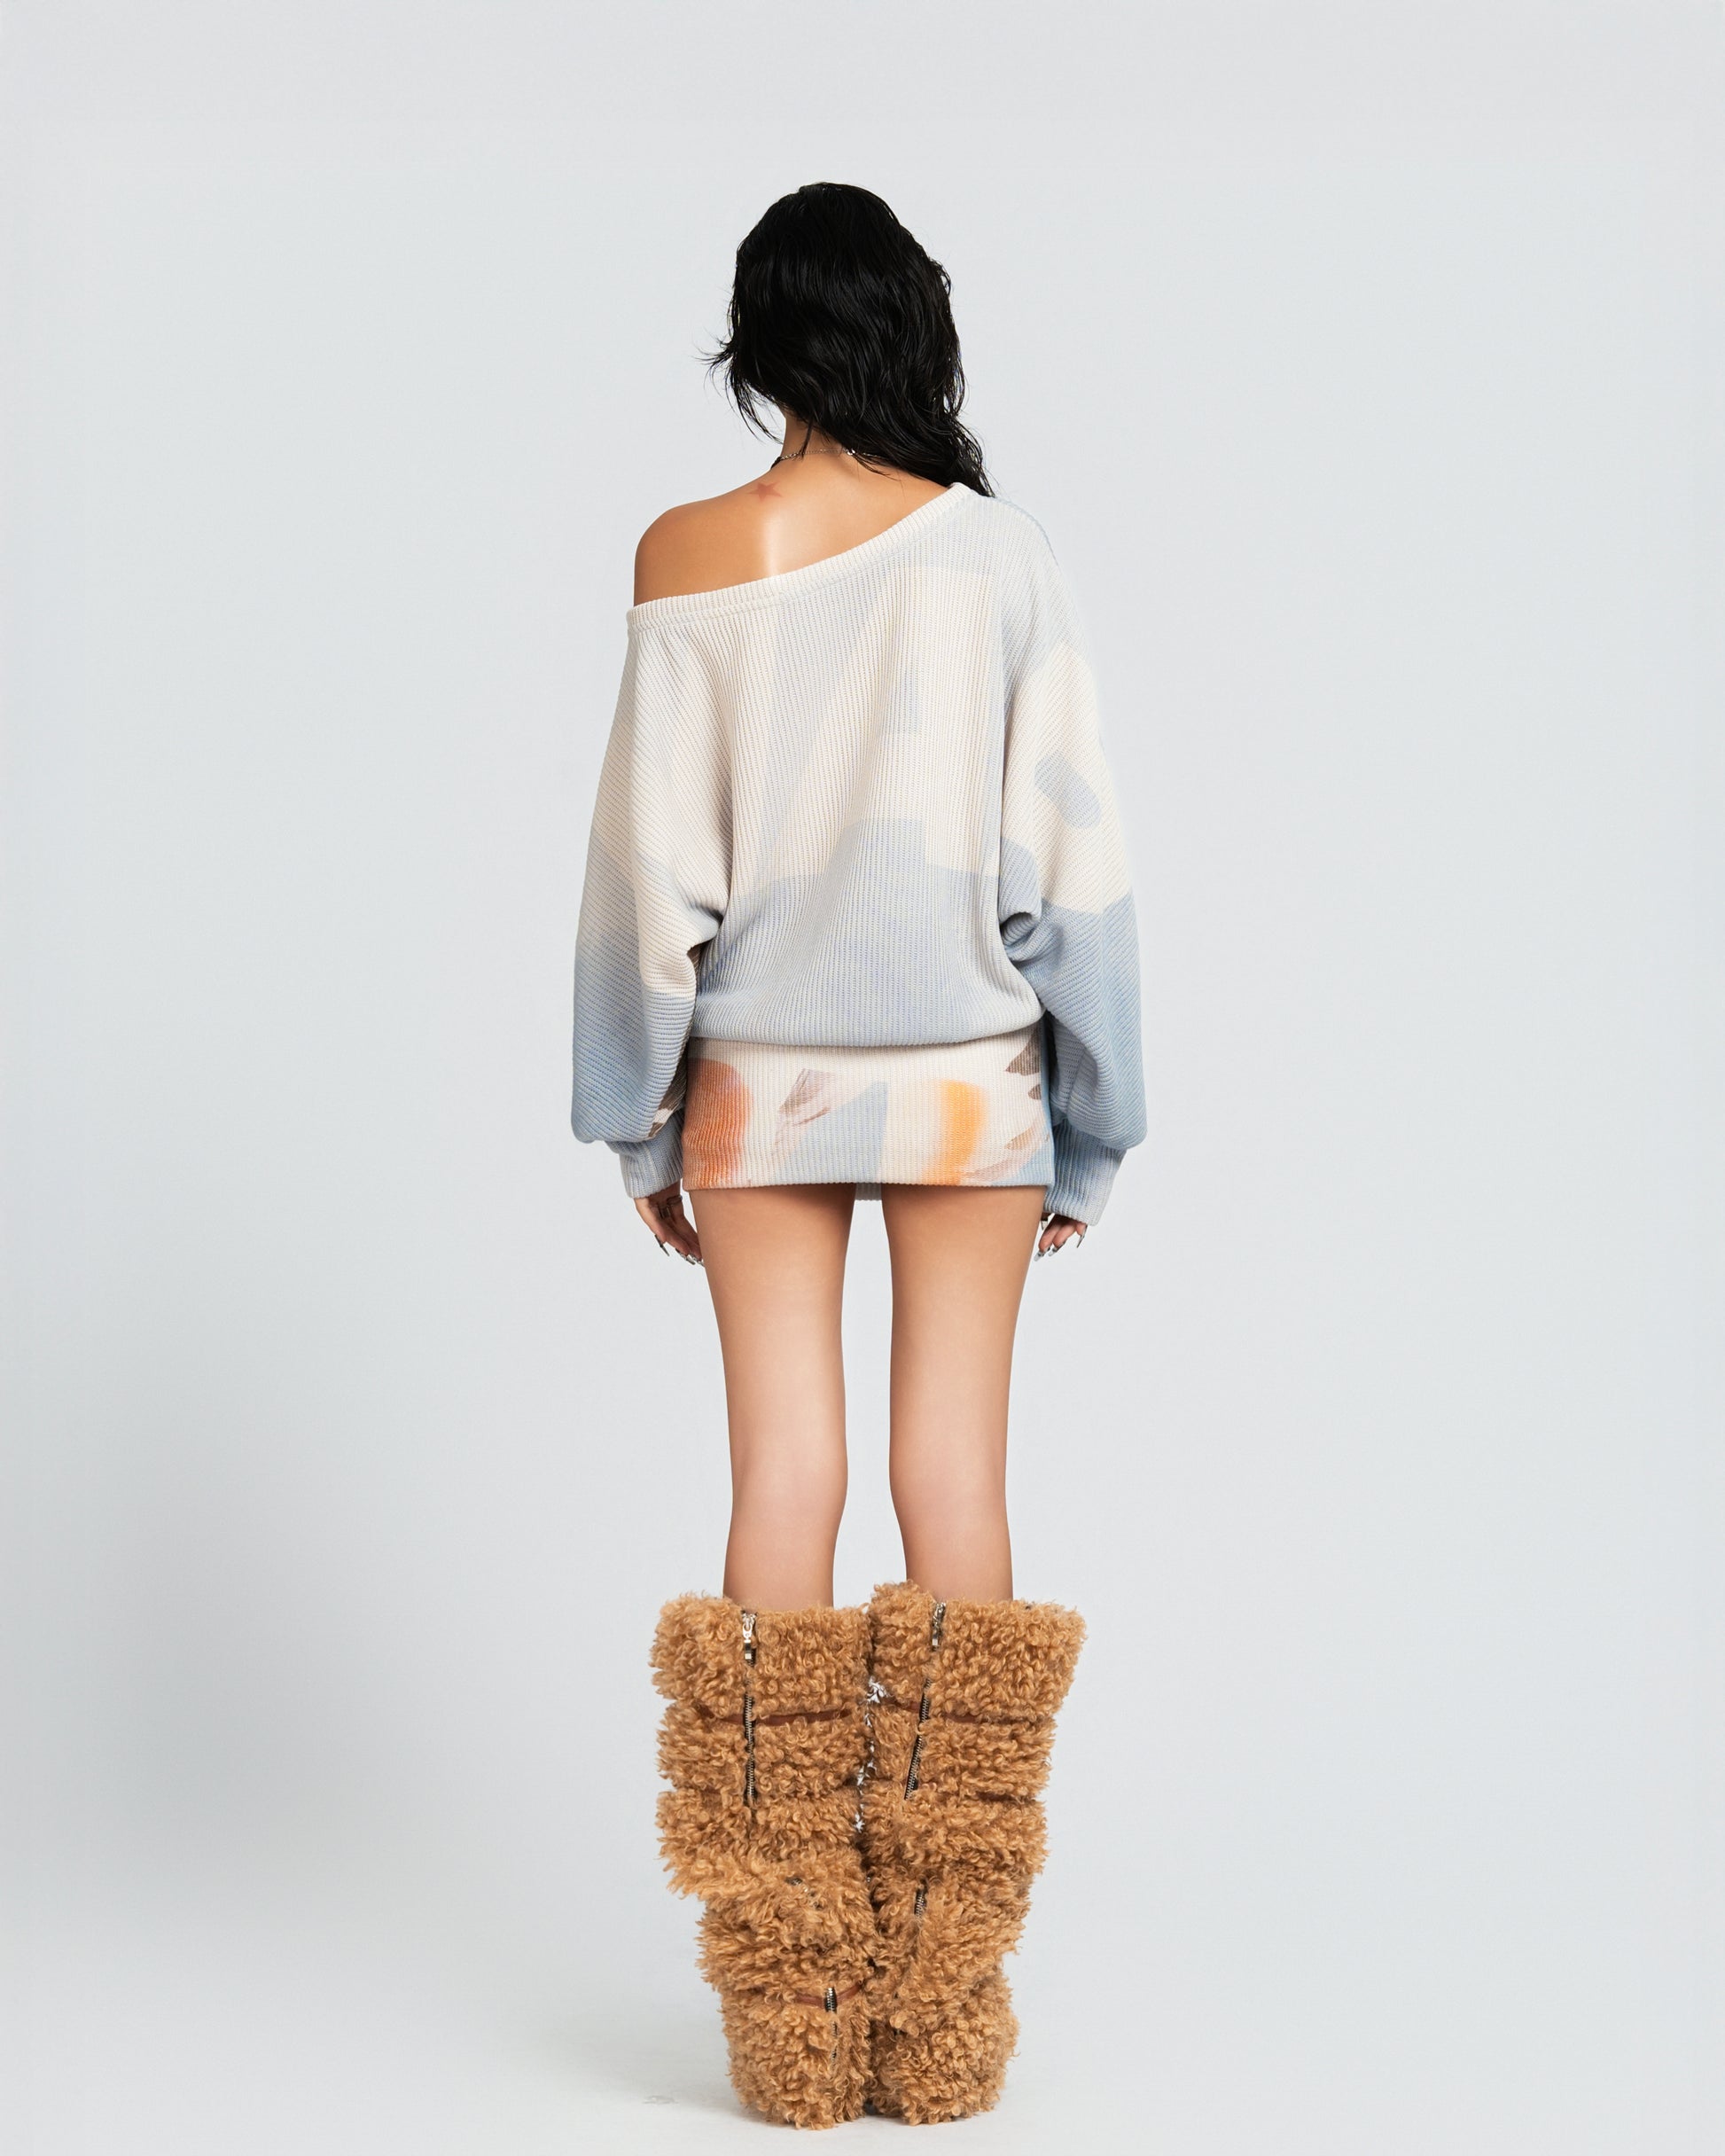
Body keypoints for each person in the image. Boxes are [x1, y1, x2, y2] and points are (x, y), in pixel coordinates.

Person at [570, 182, 1145, 2128]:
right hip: (976, 1086)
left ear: (756, 346)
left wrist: (637, 1112)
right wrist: (1096, 1116)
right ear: (914, 329)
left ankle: (794, 2018)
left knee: (784, 1474)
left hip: (760, 1090)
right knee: (950, 1472)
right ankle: (938, 2006)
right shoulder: (1002, 559)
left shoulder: (686, 552)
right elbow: (1074, 863)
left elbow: (646, 871)